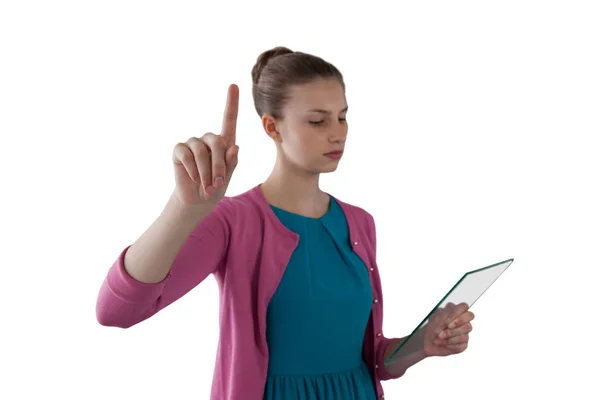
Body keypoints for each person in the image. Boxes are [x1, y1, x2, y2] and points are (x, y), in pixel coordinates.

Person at [95, 46, 475, 400]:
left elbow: (371, 359)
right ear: (272, 128)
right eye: (317, 120)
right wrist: (183, 209)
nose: (337, 132)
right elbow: (116, 311)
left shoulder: (360, 224)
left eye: (342, 116)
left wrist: (420, 345)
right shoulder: (233, 220)